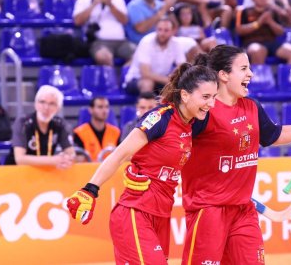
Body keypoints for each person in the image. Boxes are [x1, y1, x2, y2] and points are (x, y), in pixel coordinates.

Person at [175, 45, 291, 264]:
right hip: (208, 212)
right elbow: (171, 141)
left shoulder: (251, 107)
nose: (251, 74)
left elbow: (274, 135)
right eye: (244, 68)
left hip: (243, 212)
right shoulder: (202, 111)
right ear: (223, 75)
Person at [66, 63, 219, 264]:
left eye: (214, 97)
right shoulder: (160, 118)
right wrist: (90, 189)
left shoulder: (193, 123)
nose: (211, 104)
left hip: (162, 216)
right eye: (205, 97)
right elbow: (119, 154)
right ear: (185, 95)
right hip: (135, 213)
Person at [4, 85, 75, 168]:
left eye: (52, 104)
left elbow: (71, 154)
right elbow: (20, 159)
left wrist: (66, 159)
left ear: (58, 108)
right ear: (35, 104)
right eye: (42, 102)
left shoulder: (60, 124)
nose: (46, 108)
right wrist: (53, 160)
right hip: (17, 172)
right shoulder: (23, 123)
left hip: (45, 173)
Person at [123, 17, 187, 95]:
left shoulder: (176, 43)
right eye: (159, 29)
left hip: (161, 80)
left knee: (179, 87)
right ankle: (147, 106)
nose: (162, 33)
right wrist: (169, 80)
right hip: (137, 79)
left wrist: (174, 78)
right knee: (148, 83)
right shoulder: (146, 42)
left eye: (166, 30)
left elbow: (182, 67)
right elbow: (145, 73)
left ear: (173, 31)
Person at [235, 0, 291, 65]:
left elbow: (280, 32)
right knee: (259, 50)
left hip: (272, 43)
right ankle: (258, 76)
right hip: (252, 42)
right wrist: (259, 23)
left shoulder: (273, 11)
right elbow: (239, 30)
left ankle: (289, 76)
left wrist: (270, 22)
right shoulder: (244, 11)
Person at [73, 0, 134, 66]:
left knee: (139, 55)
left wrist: (110, 5)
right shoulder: (83, 0)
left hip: (121, 42)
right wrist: (94, 4)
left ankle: (123, 75)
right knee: (103, 57)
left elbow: (124, 21)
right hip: (98, 42)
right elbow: (78, 21)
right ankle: (111, 76)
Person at [74, 97, 120, 162]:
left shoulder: (116, 132)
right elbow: (77, 159)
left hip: (111, 170)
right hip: (87, 170)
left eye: (107, 107)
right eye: (100, 107)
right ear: (91, 110)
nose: (104, 111)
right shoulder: (79, 132)